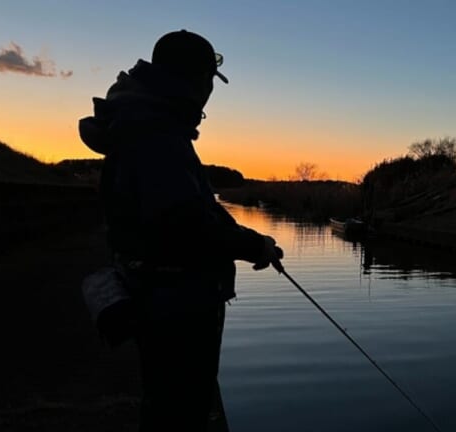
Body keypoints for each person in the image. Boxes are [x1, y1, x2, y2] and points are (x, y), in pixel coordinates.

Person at [79, 30, 283, 431]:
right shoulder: (156, 131)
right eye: (209, 80)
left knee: (167, 406)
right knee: (179, 413)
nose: (210, 92)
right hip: (177, 306)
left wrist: (249, 239)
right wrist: (252, 245)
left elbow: (192, 207)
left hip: (162, 299)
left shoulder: (148, 121)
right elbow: (183, 223)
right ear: (194, 78)